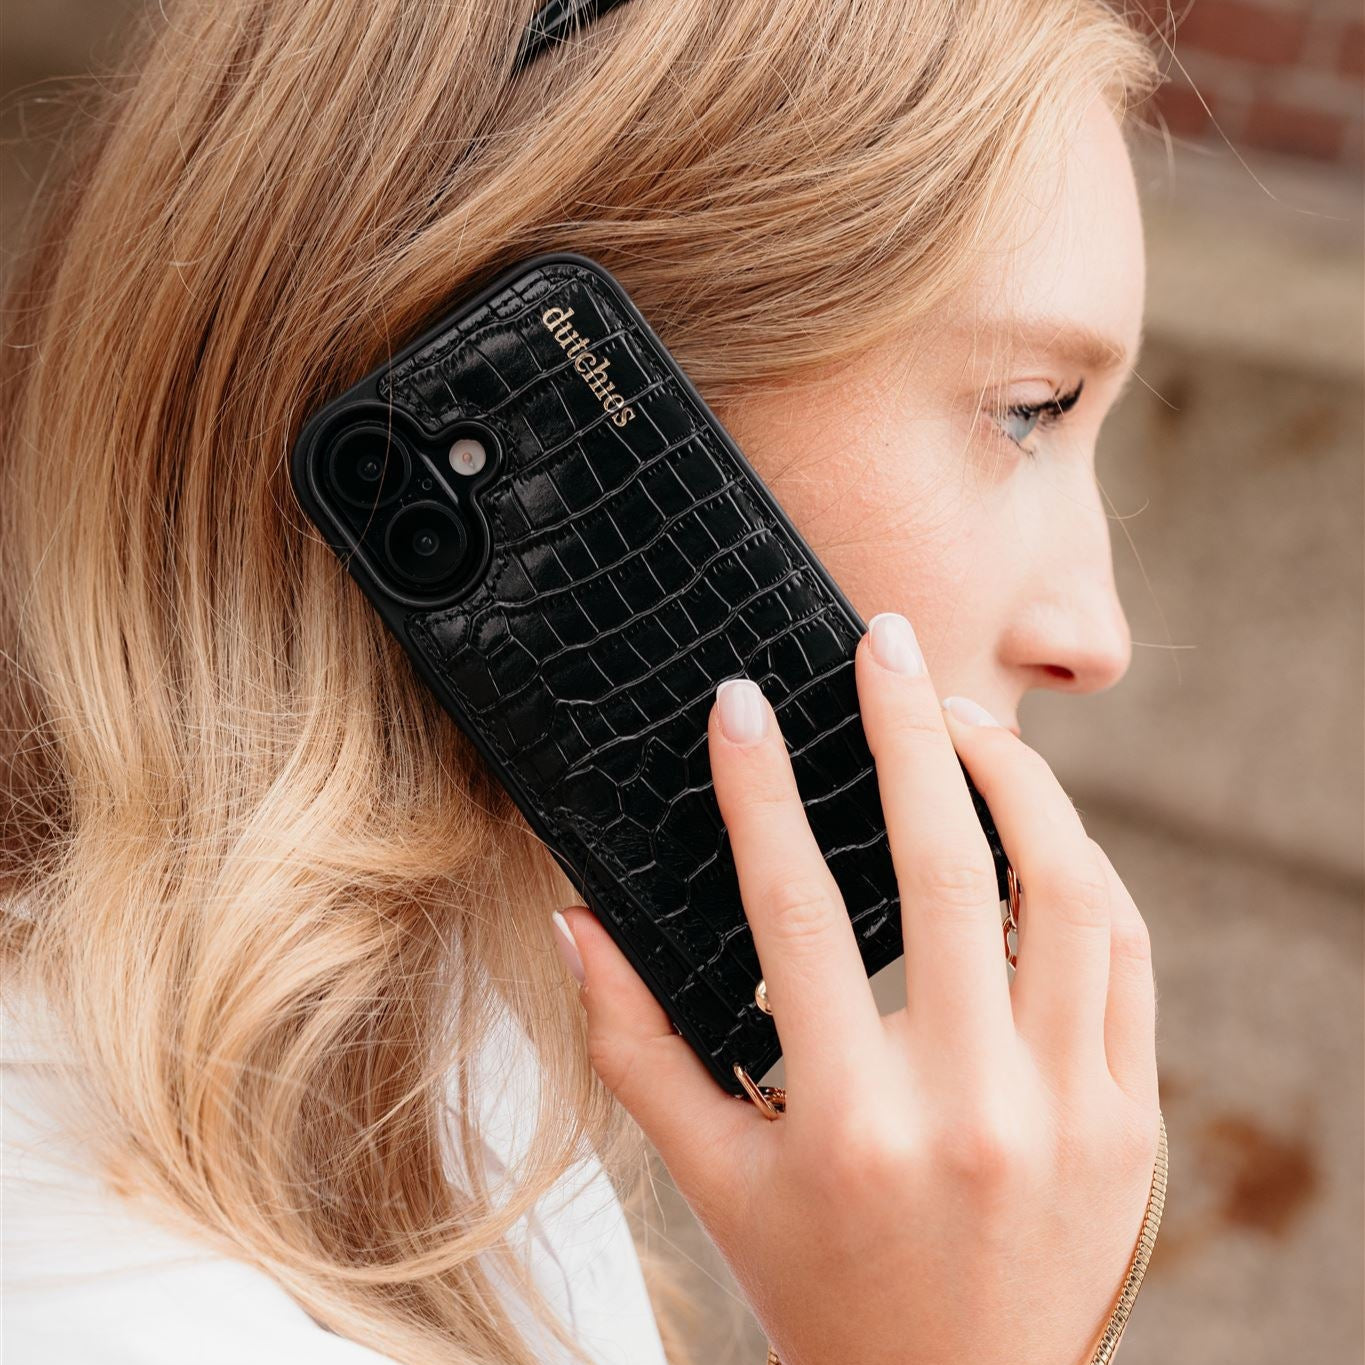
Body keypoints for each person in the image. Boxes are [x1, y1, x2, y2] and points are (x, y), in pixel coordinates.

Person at [0, 2, 1165, 1363]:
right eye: (1026, 406)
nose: (1097, 634)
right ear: (532, 403)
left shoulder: (450, 1097)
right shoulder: (116, 1295)